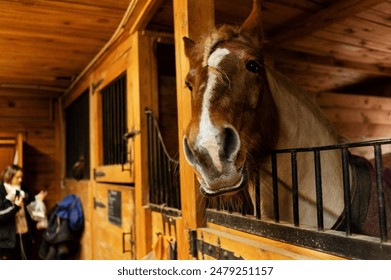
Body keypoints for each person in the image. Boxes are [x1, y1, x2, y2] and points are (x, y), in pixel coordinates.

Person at [0, 165, 47, 260]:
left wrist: (37, 199)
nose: (20, 180)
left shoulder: (22, 189)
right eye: (17, 177)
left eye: (21, 177)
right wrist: (16, 207)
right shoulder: (1, 190)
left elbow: (29, 201)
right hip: (8, 240)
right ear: (9, 176)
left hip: (25, 234)